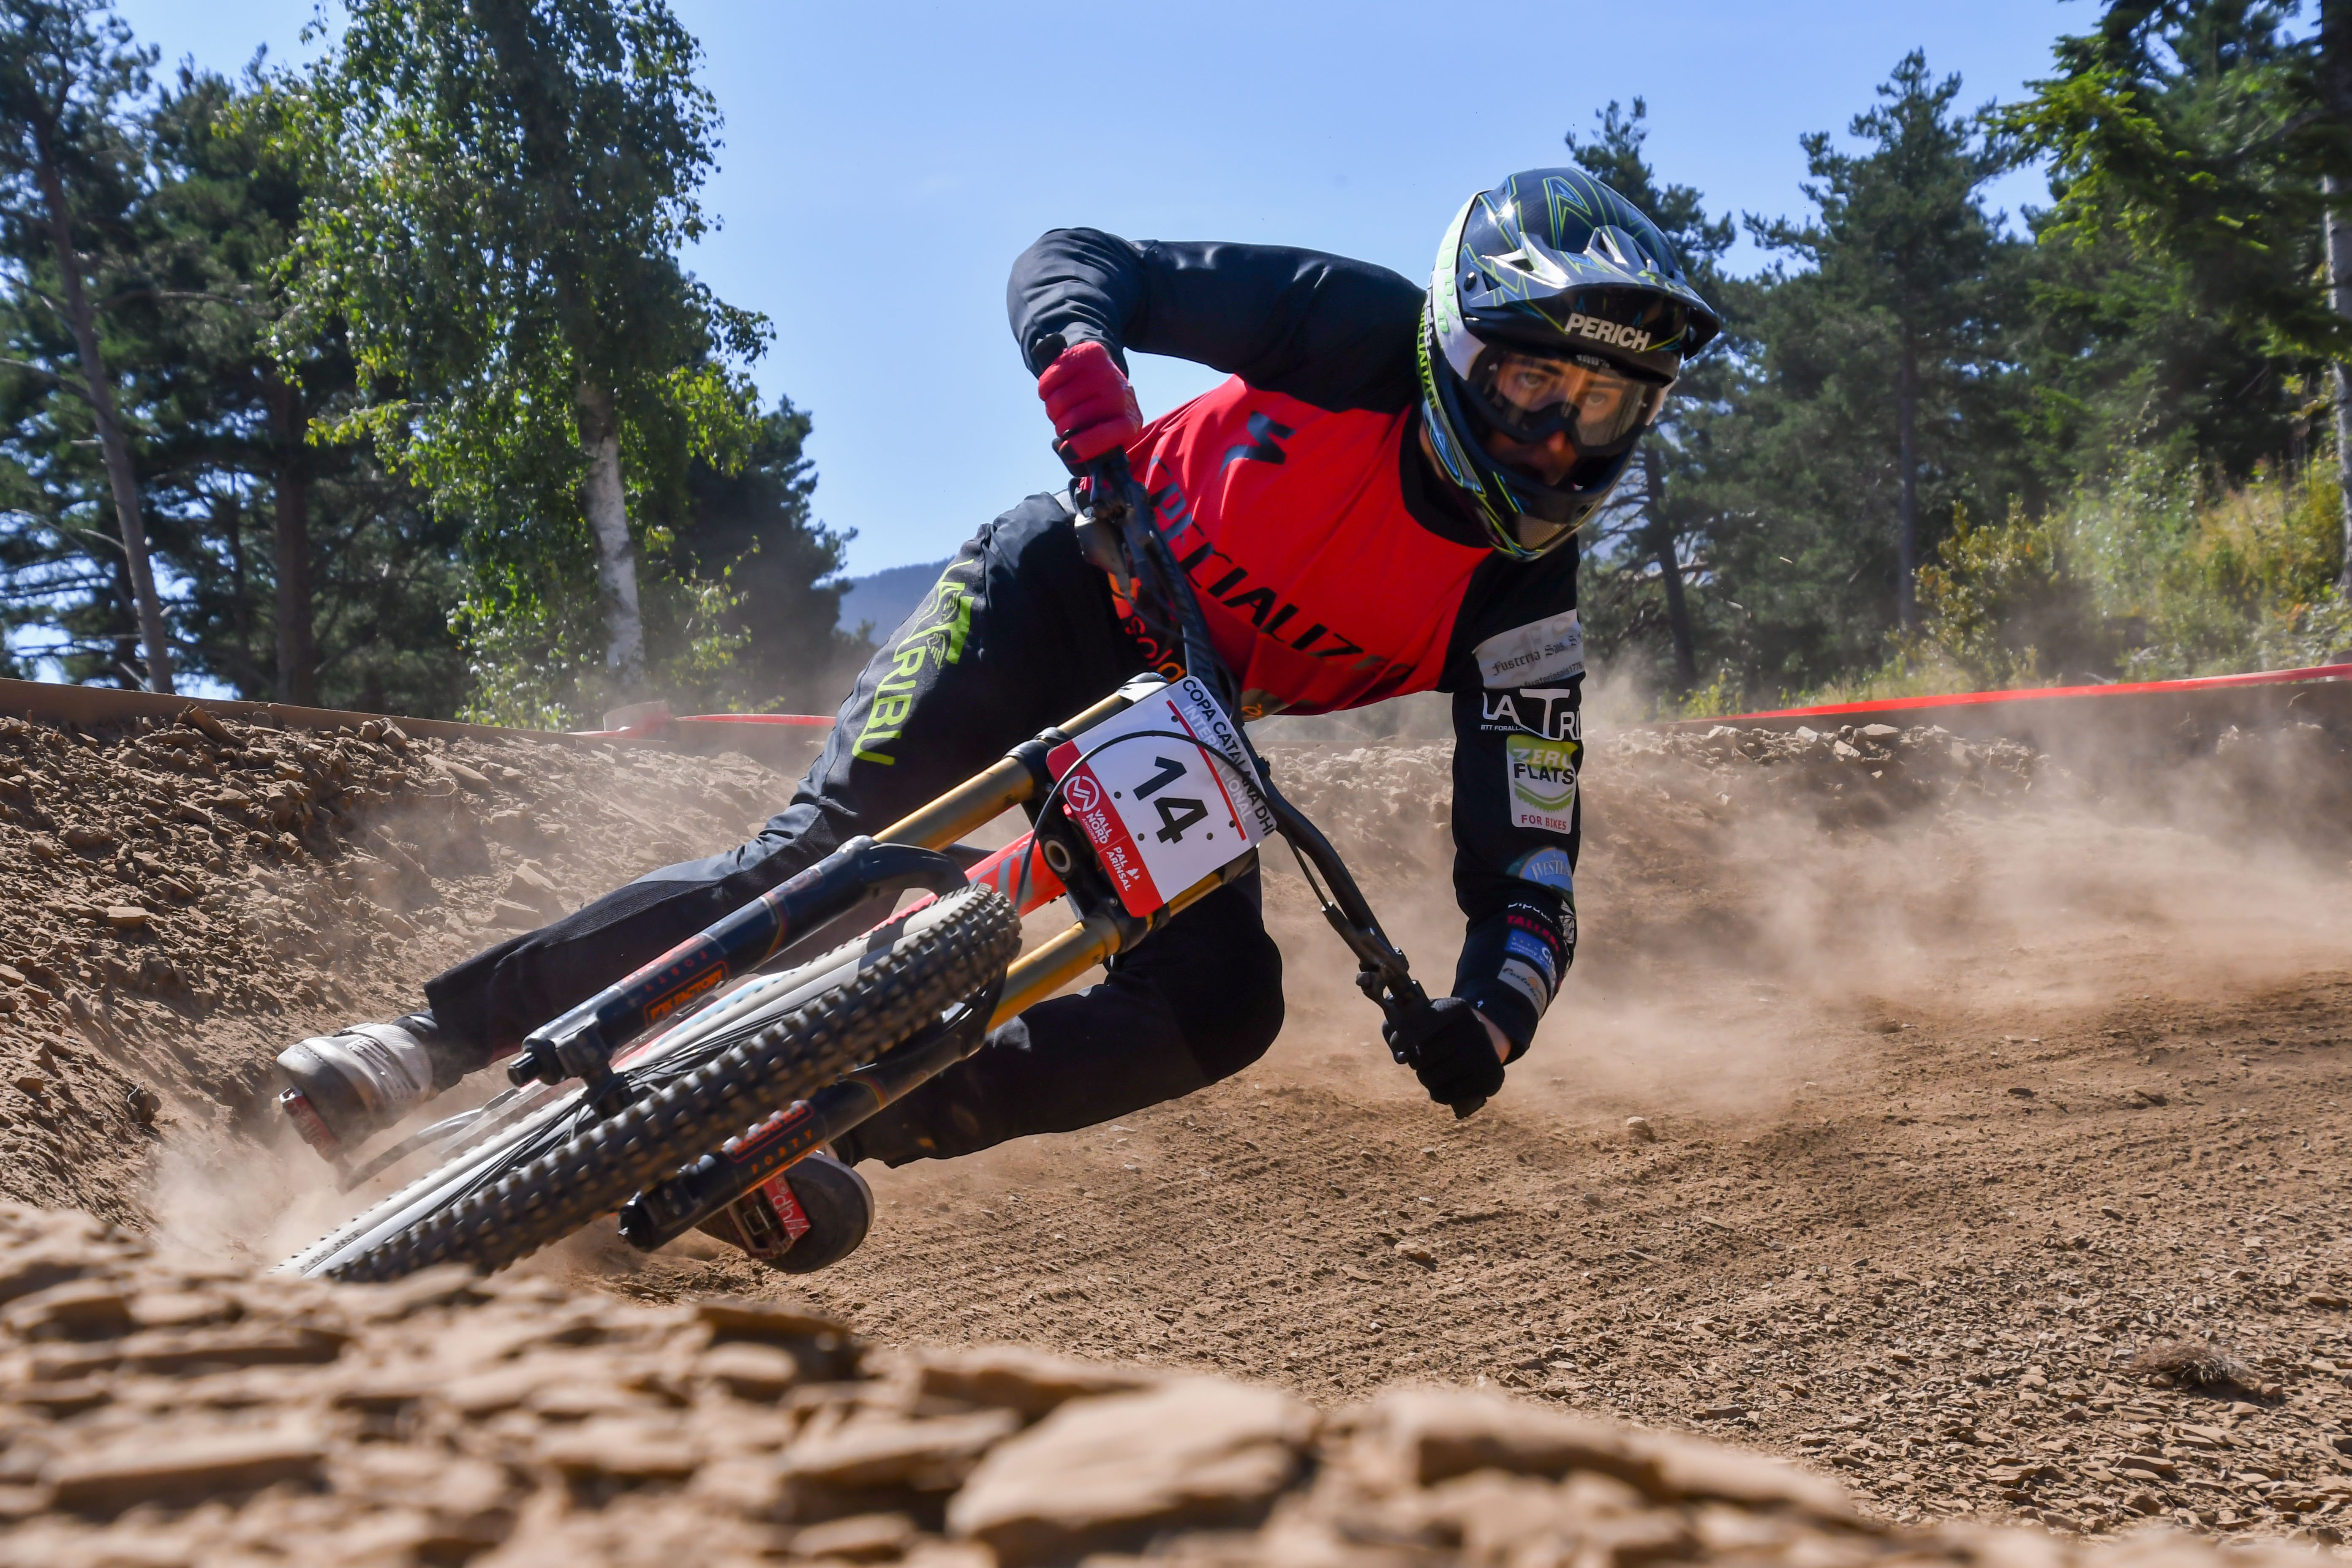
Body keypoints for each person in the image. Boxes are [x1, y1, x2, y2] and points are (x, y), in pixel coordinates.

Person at [275, 168, 1720, 1273]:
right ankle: (424, 1043)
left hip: (1181, 725)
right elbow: (1079, 261)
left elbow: (1530, 870)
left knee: (1224, 1009)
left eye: (1603, 407)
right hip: (1060, 584)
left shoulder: (1525, 608)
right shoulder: (1352, 332)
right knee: (824, 865)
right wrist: (1088, 388)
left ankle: (800, 1125)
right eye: (1533, 380)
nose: (1557, 437)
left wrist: (1492, 1022)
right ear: (1457, 346)